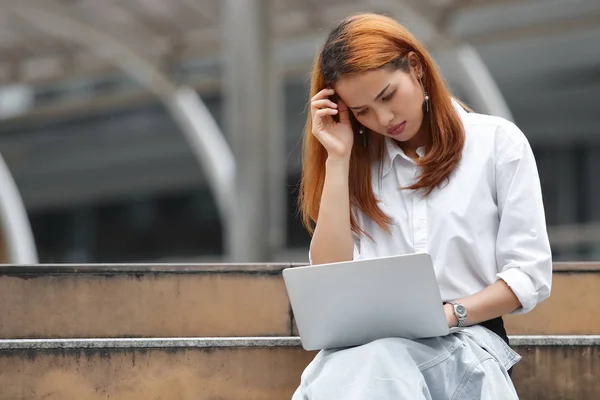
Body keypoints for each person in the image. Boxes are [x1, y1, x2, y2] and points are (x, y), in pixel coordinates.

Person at [293, 13, 552, 400]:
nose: (383, 118)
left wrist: (447, 315)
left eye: (386, 96)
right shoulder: (357, 165)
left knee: (368, 368)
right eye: (362, 111)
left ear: (415, 67)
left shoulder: (496, 144)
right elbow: (330, 275)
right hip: (372, 352)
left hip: (468, 342)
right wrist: (337, 157)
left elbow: (529, 276)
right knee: (373, 361)